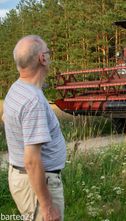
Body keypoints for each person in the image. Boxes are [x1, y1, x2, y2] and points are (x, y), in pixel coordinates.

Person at [3, 35, 66, 221]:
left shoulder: (16, 89)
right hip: (37, 183)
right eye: (48, 52)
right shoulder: (33, 101)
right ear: (42, 59)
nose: (50, 57)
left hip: (22, 179)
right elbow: (31, 161)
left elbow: (6, 117)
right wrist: (47, 207)